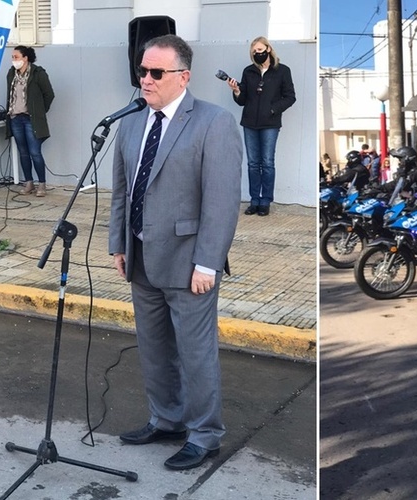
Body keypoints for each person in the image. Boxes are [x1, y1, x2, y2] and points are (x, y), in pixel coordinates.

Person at [108, 35, 242, 471]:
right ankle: (166, 419)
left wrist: (207, 262)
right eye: (142, 71)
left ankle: (204, 435)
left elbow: (221, 202)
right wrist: (118, 244)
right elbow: (121, 194)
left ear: (183, 77)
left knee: (195, 352)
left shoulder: (213, 122)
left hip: (188, 263)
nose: (145, 80)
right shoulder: (130, 122)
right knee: (153, 347)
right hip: (141, 258)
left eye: (155, 73)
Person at [227, 36, 296, 216]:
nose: (258, 53)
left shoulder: (282, 71)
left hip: (270, 124)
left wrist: (273, 110)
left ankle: (265, 201)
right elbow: (242, 101)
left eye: (260, 50)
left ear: (268, 49)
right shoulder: (248, 71)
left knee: (267, 163)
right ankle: (254, 200)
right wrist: (236, 91)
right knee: (252, 163)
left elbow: (290, 97)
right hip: (249, 122)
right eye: (254, 52)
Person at [6, 45, 54, 197]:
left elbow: (49, 94)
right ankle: (28, 182)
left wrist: (39, 111)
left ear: (25, 58)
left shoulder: (38, 73)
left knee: (35, 152)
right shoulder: (11, 73)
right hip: (16, 118)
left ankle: (42, 184)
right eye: (13, 57)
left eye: (16, 57)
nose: (14, 60)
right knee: (23, 152)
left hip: (30, 119)